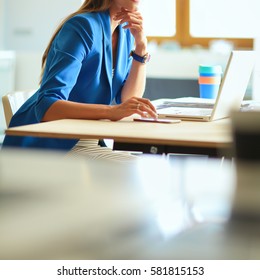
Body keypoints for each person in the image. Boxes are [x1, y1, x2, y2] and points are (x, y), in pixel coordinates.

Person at [2, 0, 157, 161]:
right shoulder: (82, 27)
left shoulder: (125, 32)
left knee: (146, 170)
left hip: (88, 140)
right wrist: (111, 112)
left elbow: (128, 100)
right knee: (142, 172)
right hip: (45, 146)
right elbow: (47, 106)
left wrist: (141, 47)